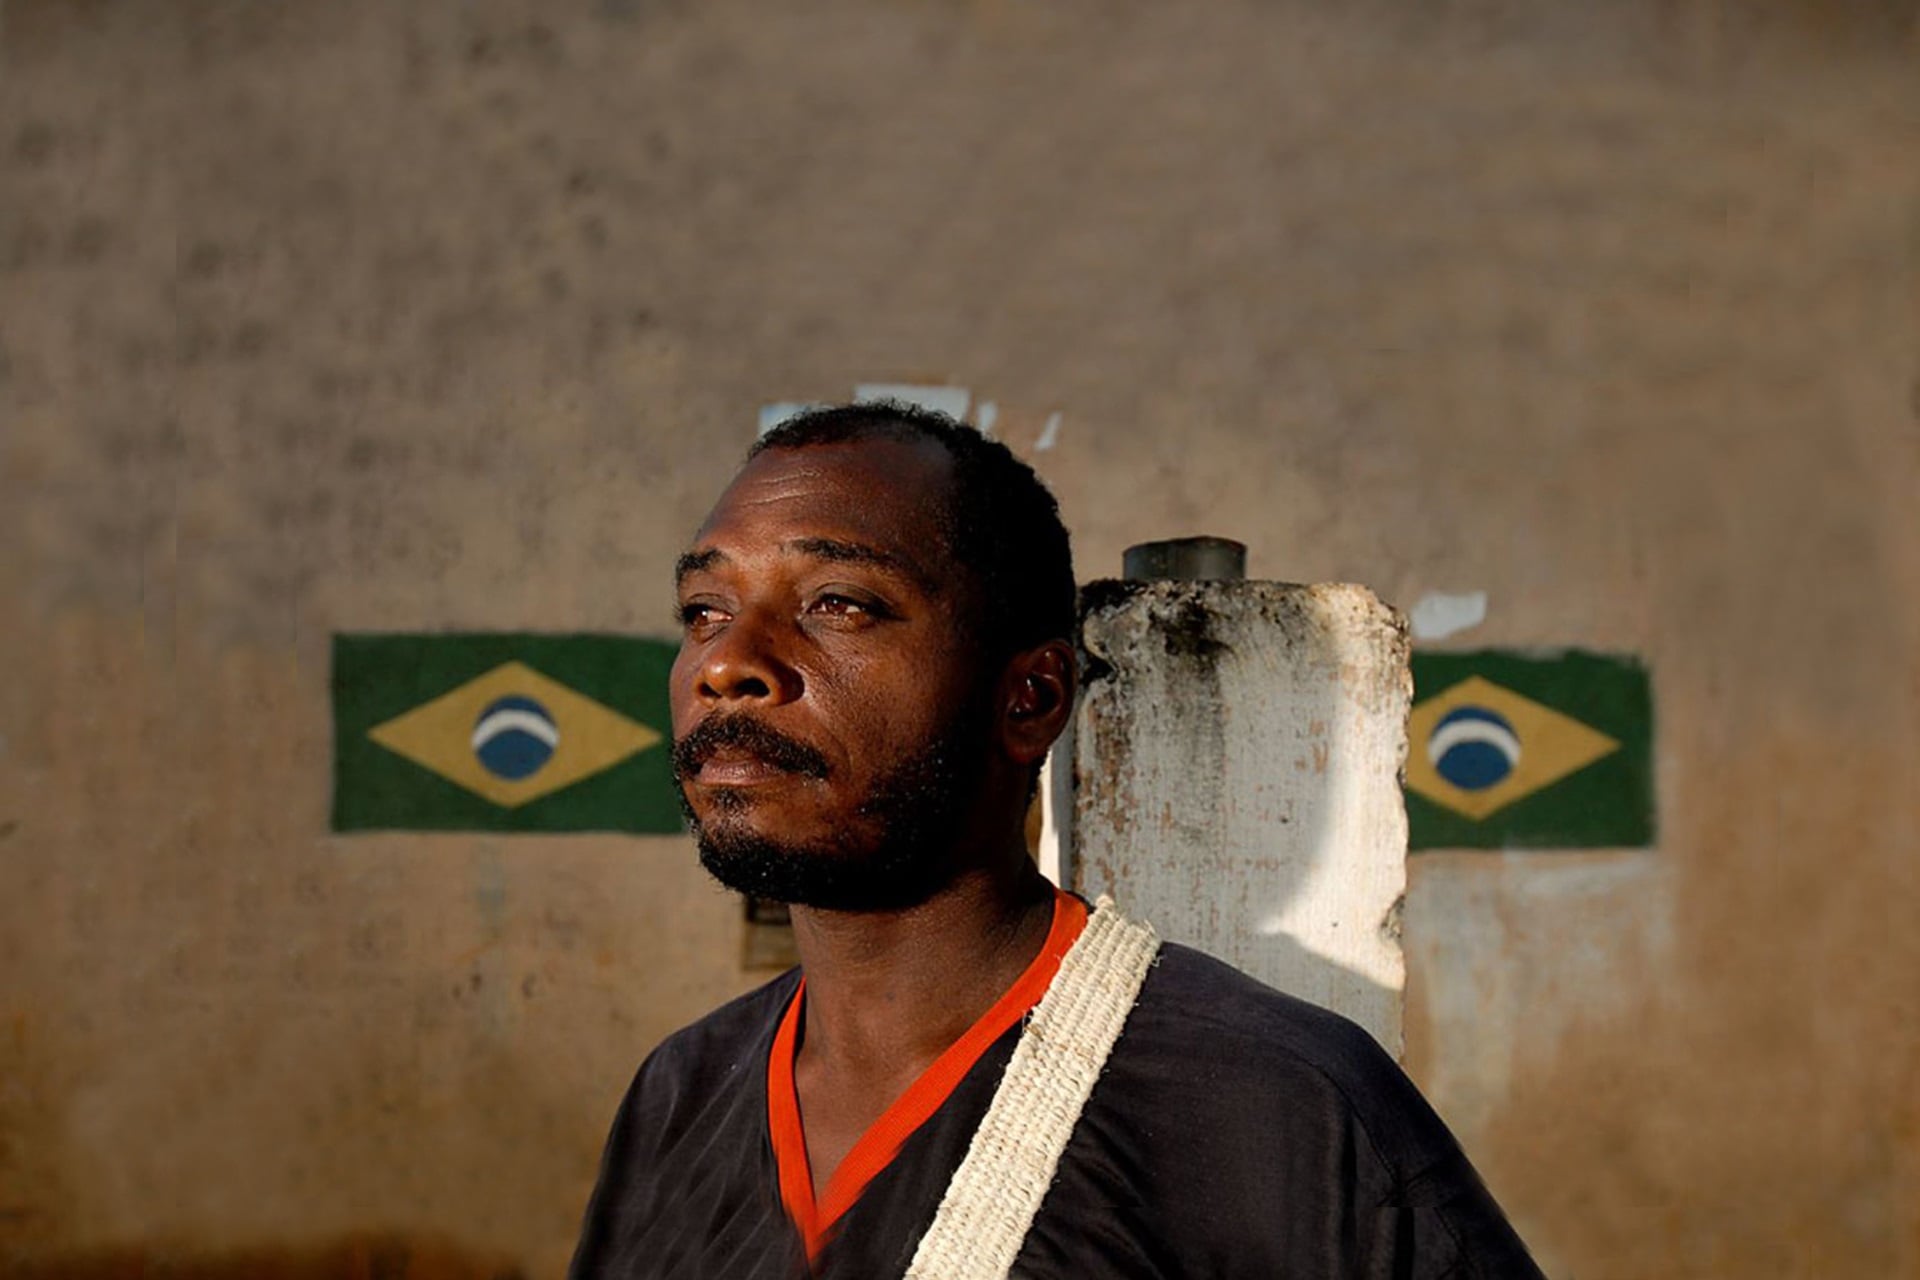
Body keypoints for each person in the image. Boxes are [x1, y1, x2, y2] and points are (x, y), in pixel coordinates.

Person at [569, 403, 1544, 1279]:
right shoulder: (681, 1093)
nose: (727, 662)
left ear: (1030, 698)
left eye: (838, 603)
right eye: (704, 610)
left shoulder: (1278, 1109)